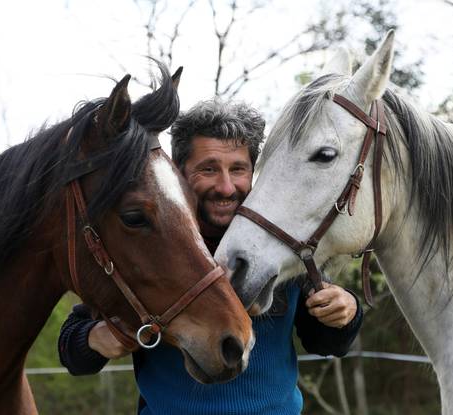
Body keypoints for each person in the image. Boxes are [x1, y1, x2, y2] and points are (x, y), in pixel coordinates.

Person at [58, 99, 363, 414]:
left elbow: (327, 343)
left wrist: (346, 312)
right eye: (209, 169)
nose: (226, 186)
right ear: (179, 171)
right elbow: (71, 348)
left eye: (238, 169)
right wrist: (94, 339)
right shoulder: (150, 241)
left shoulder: (278, 240)